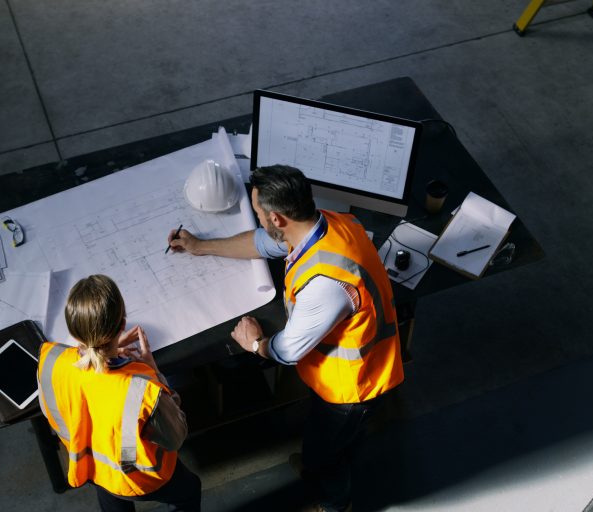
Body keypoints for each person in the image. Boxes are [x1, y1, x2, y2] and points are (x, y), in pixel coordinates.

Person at [167, 165, 404, 512]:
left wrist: (254, 343)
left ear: (278, 218)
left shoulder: (327, 284)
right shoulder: (328, 224)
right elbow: (262, 243)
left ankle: (335, 503)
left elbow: (287, 350)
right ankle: (331, 464)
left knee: (325, 452)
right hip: (361, 368)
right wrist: (200, 246)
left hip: (353, 388)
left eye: (259, 212)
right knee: (337, 442)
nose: (257, 218)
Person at [37, 274, 201, 512]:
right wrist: (152, 370)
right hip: (137, 480)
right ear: (122, 324)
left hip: (93, 468)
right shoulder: (141, 390)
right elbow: (176, 437)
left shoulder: (52, 360)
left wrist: (107, 352)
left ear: (74, 333)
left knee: (114, 503)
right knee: (189, 492)